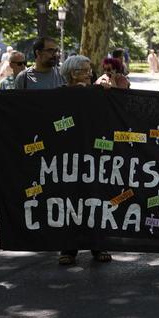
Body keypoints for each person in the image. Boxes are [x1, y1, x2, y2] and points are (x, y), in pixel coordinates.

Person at [58, 55, 112, 265]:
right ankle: (68, 248)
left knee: (95, 197)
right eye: (85, 70)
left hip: (94, 155)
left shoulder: (97, 92)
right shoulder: (59, 95)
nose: (91, 74)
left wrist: (108, 92)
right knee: (68, 200)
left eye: (90, 70)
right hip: (67, 158)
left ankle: (98, 245)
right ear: (73, 74)